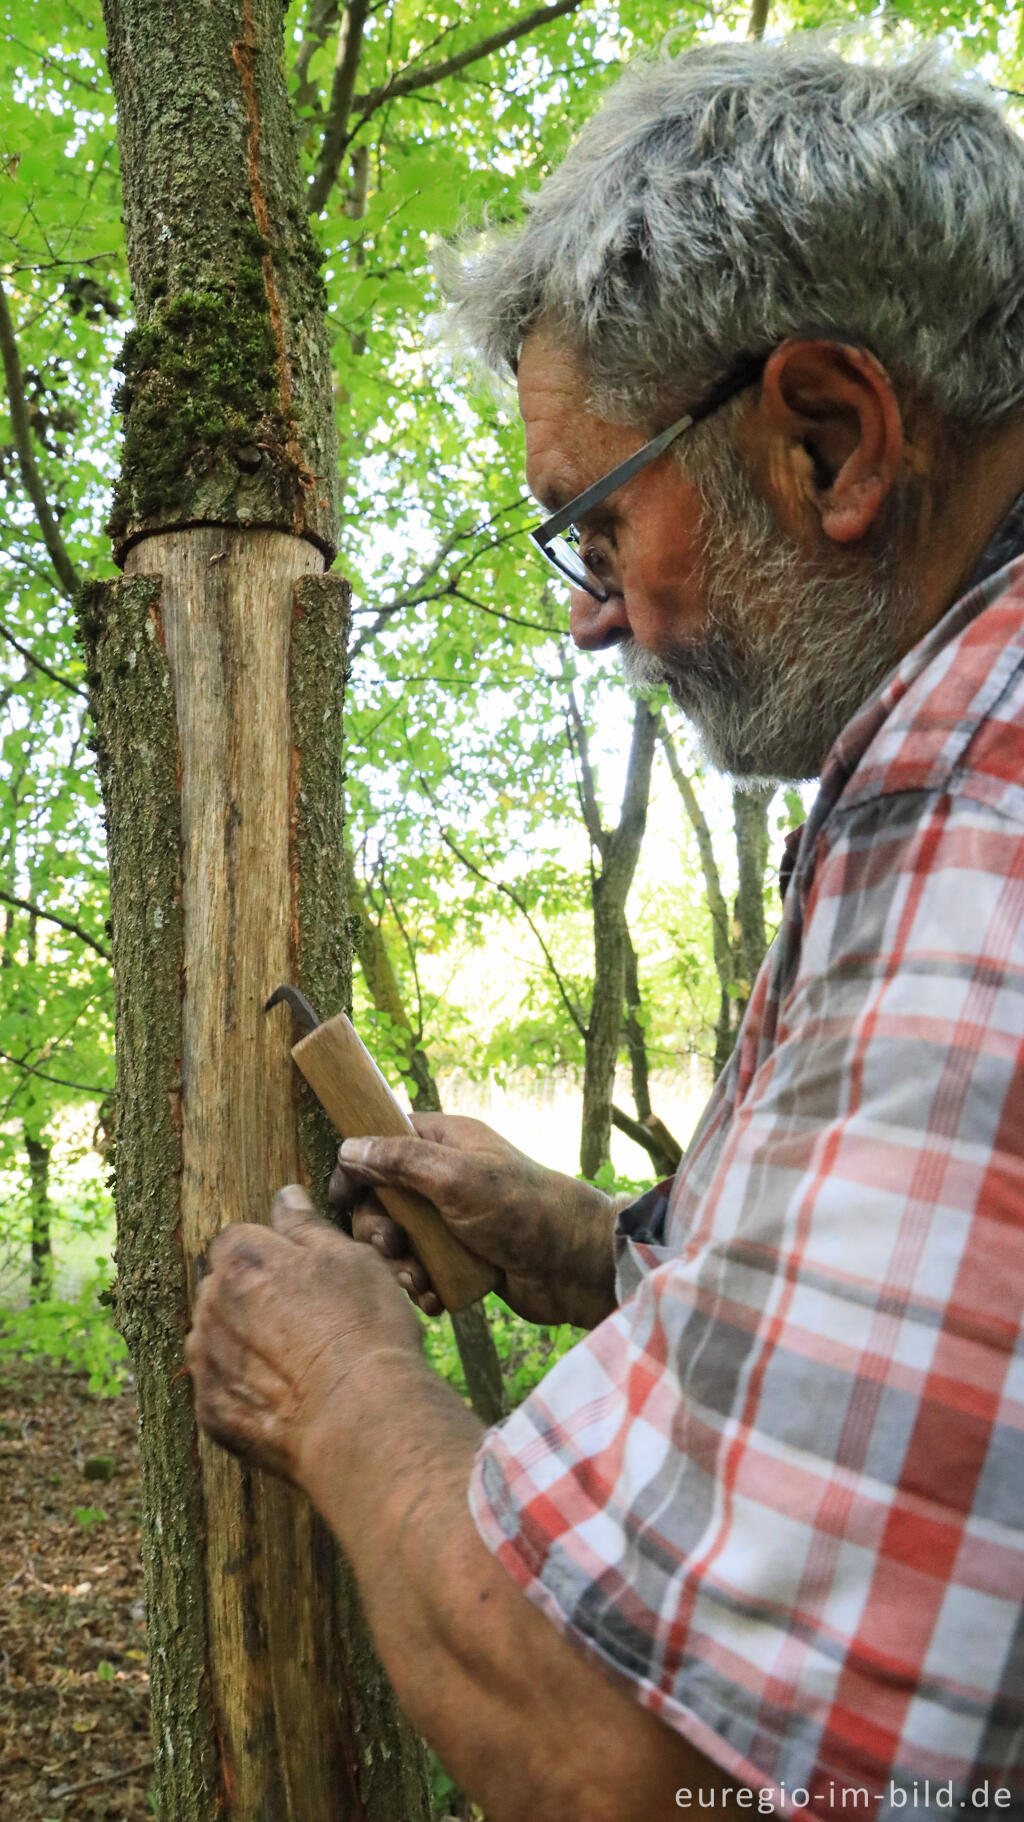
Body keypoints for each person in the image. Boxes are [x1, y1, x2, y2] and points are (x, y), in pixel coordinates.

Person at [186, 41, 1024, 1821]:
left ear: (831, 436)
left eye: (598, 522)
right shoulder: (947, 741)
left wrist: (341, 1384)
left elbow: (645, 1759)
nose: (590, 619)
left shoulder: (981, 824)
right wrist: (579, 1235)